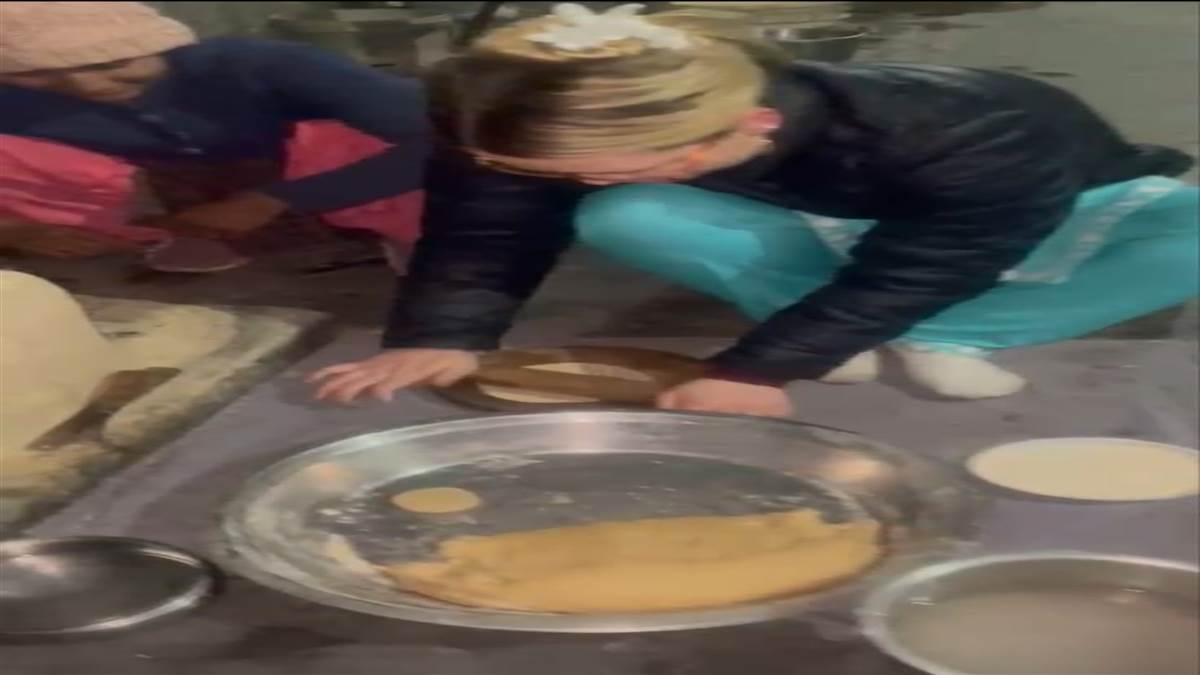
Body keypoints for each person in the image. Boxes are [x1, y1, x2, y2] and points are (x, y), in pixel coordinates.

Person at [310, 3, 1199, 416]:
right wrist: (446, 332)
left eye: (580, 169)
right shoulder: (521, 120)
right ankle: (851, 330)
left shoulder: (967, 129)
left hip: (1047, 206)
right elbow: (485, 224)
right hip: (830, 211)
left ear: (739, 130)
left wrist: (757, 369)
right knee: (622, 215)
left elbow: (938, 254)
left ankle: (955, 334)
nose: (529, 180)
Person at [0, 1, 427, 272]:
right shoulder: (10, 100)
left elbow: (450, 142)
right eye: (36, 73)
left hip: (330, 173)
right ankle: (188, 238)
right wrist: (14, 231)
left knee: (370, 147)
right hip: (169, 184)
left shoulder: (261, 65)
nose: (86, 86)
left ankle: (396, 236)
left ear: (160, 44)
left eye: (112, 63)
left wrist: (276, 199)